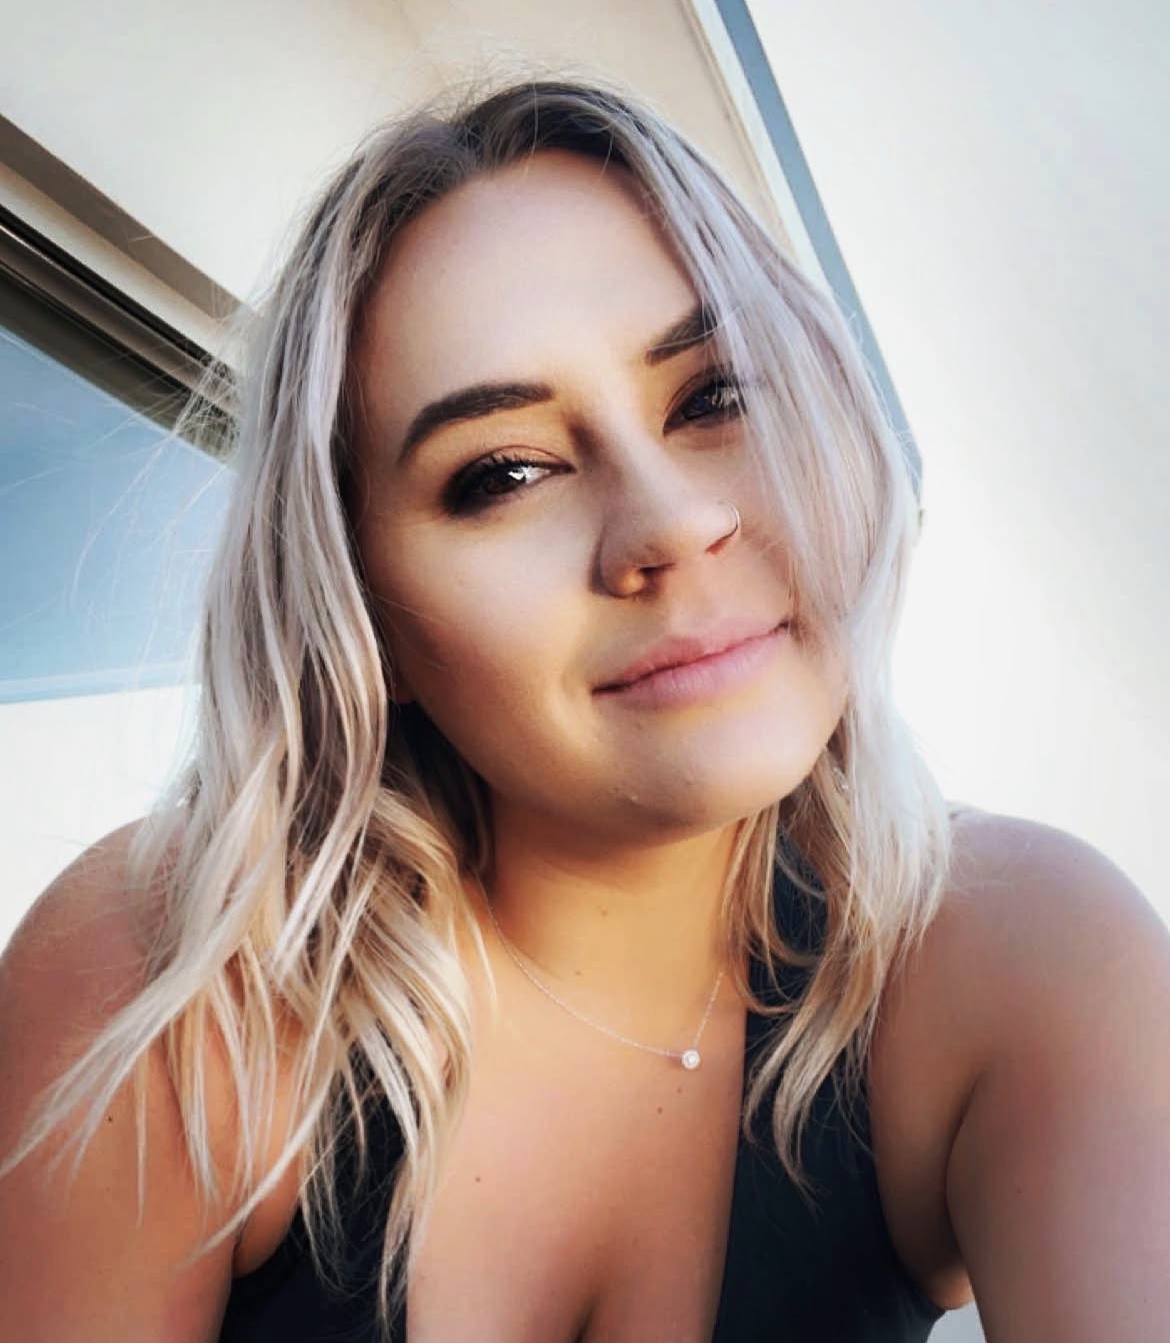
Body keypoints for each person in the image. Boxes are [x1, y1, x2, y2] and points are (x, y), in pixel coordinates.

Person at [1, 78, 1167, 1343]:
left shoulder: (1023, 954)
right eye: (504, 473)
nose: (669, 521)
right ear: (367, 613)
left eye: (717, 396)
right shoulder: (174, 967)